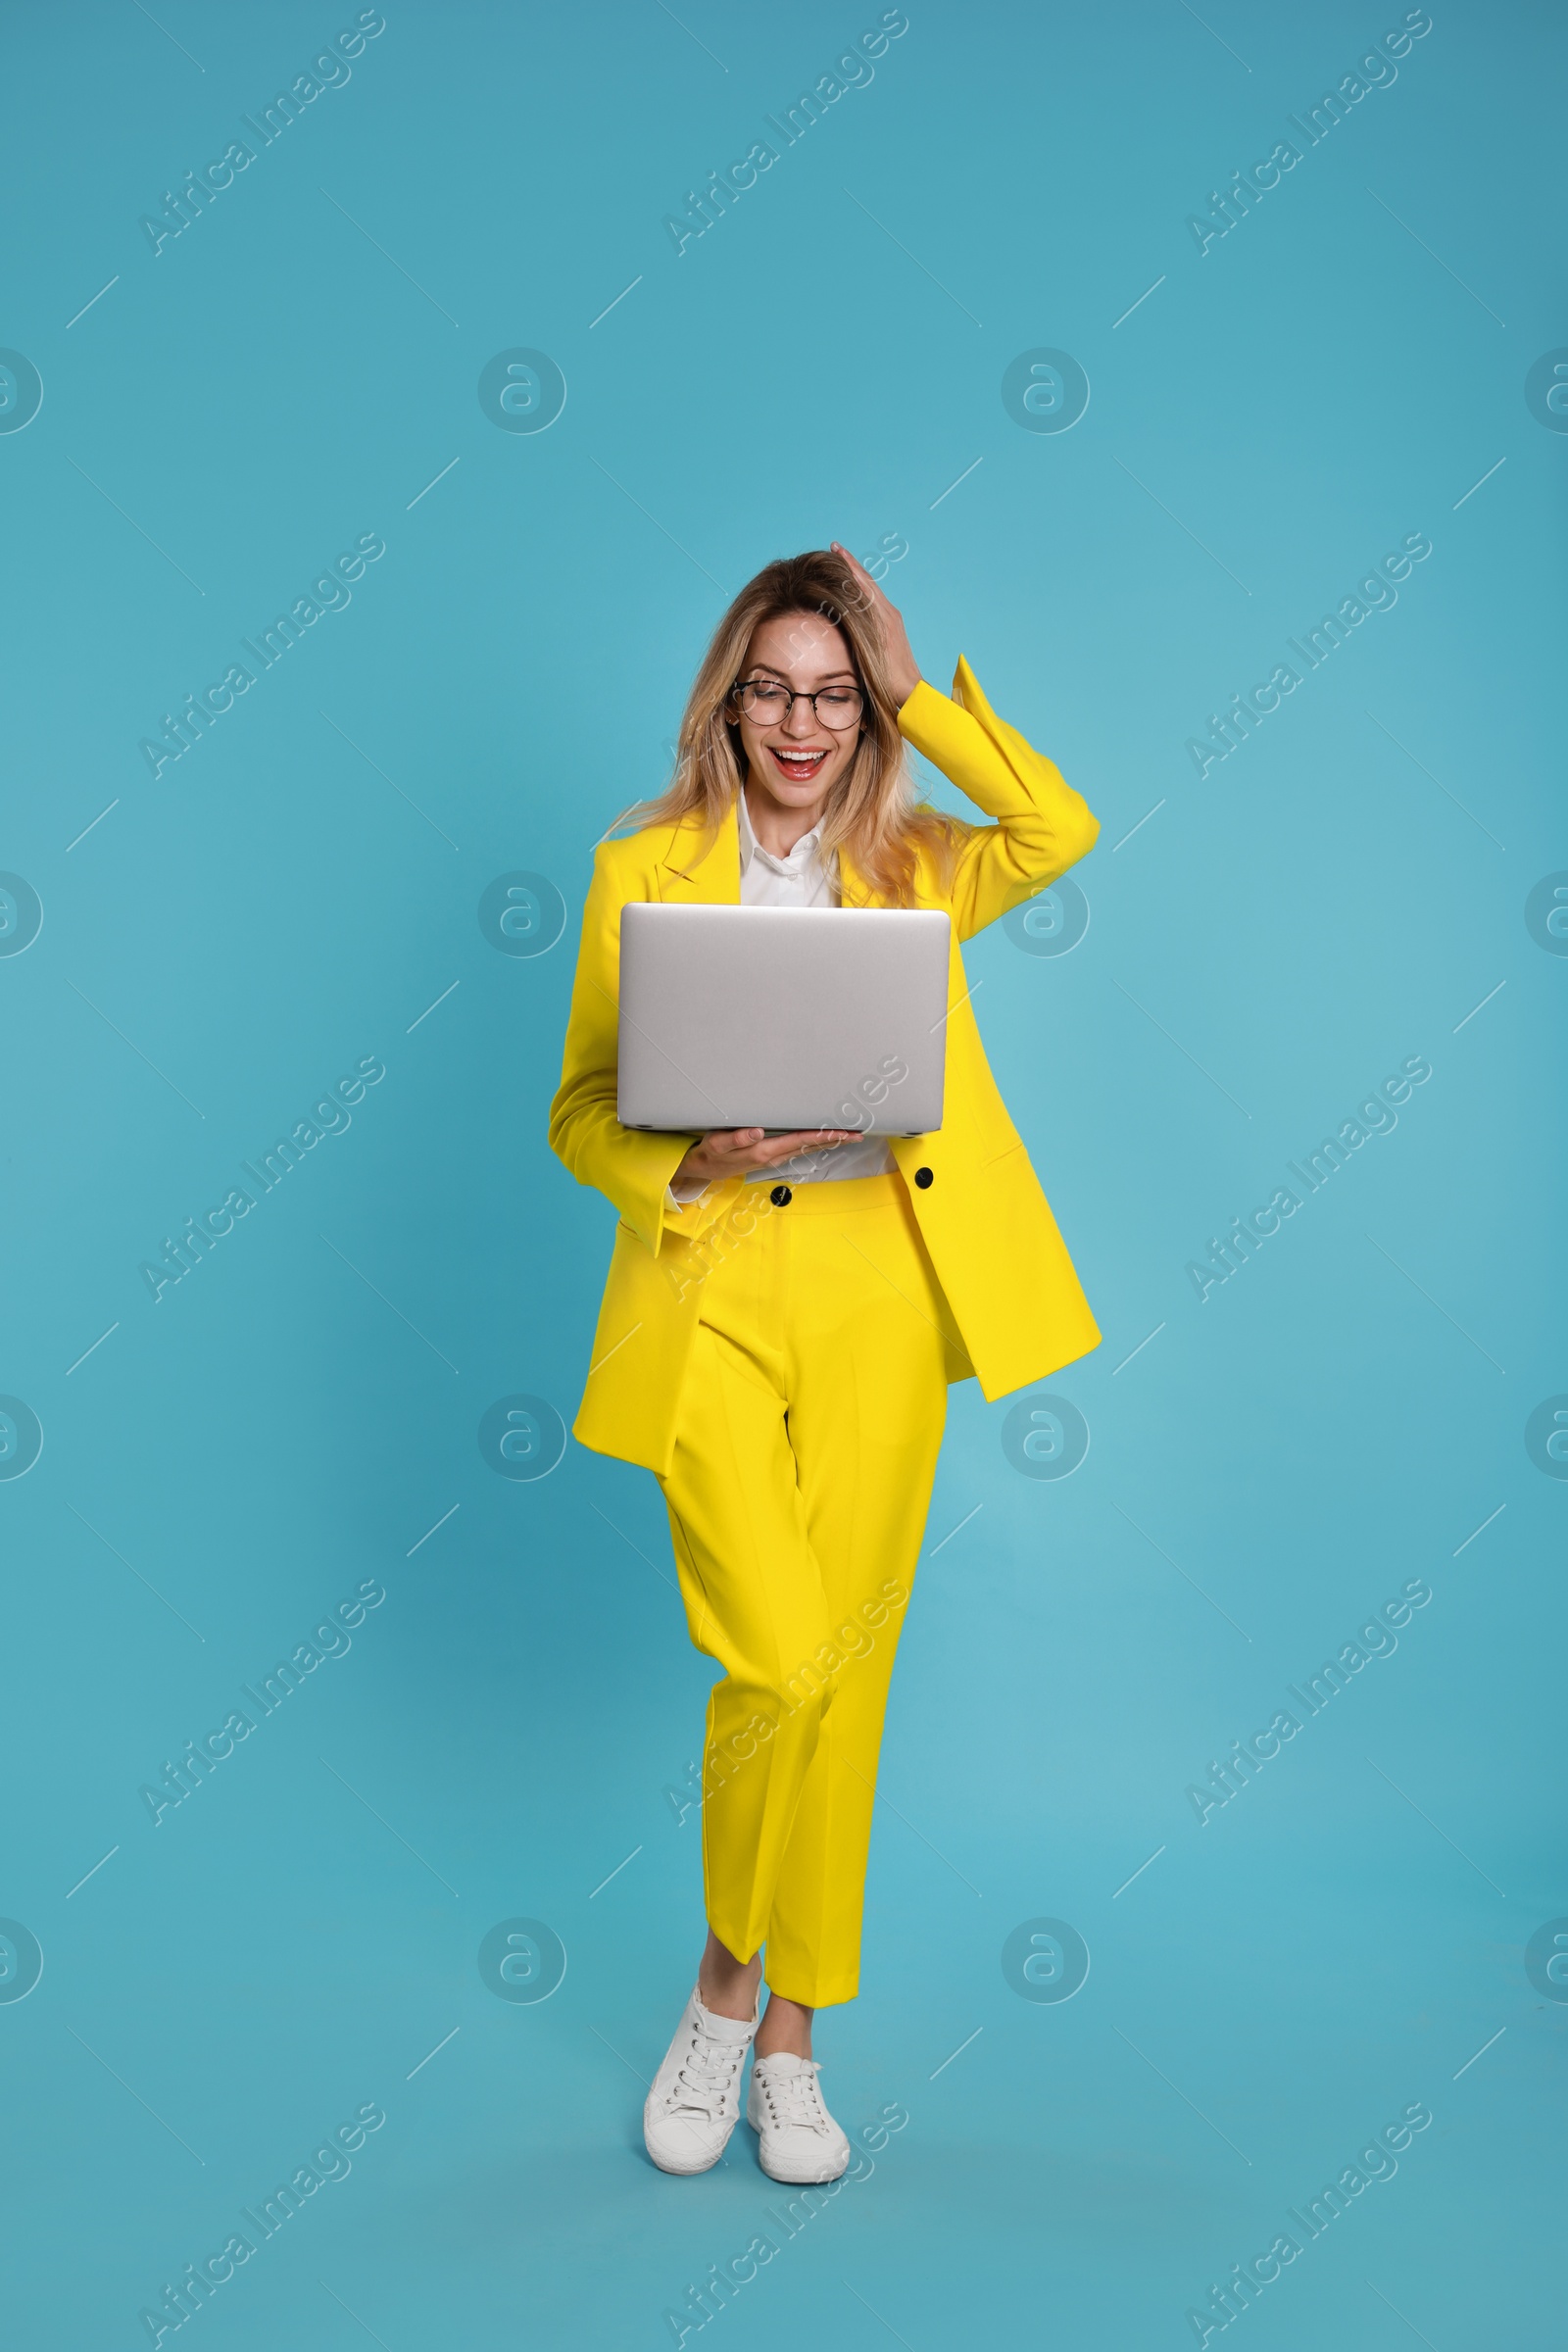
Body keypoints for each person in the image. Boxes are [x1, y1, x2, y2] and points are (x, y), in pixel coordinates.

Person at [548, 544, 1101, 2184]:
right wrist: (691, 1163)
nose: (803, 721)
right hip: (710, 1282)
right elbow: (579, 1109)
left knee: (846, 1677)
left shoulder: (922, 861)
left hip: (875, 1287)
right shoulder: (637, 864)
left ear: (867, 707)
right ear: (730, 697)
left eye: (835, 692)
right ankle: (722, 1987)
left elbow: (1057, 828)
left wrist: (925, 694)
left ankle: (790, 2037)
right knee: (775, 1657)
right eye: (775, 687)